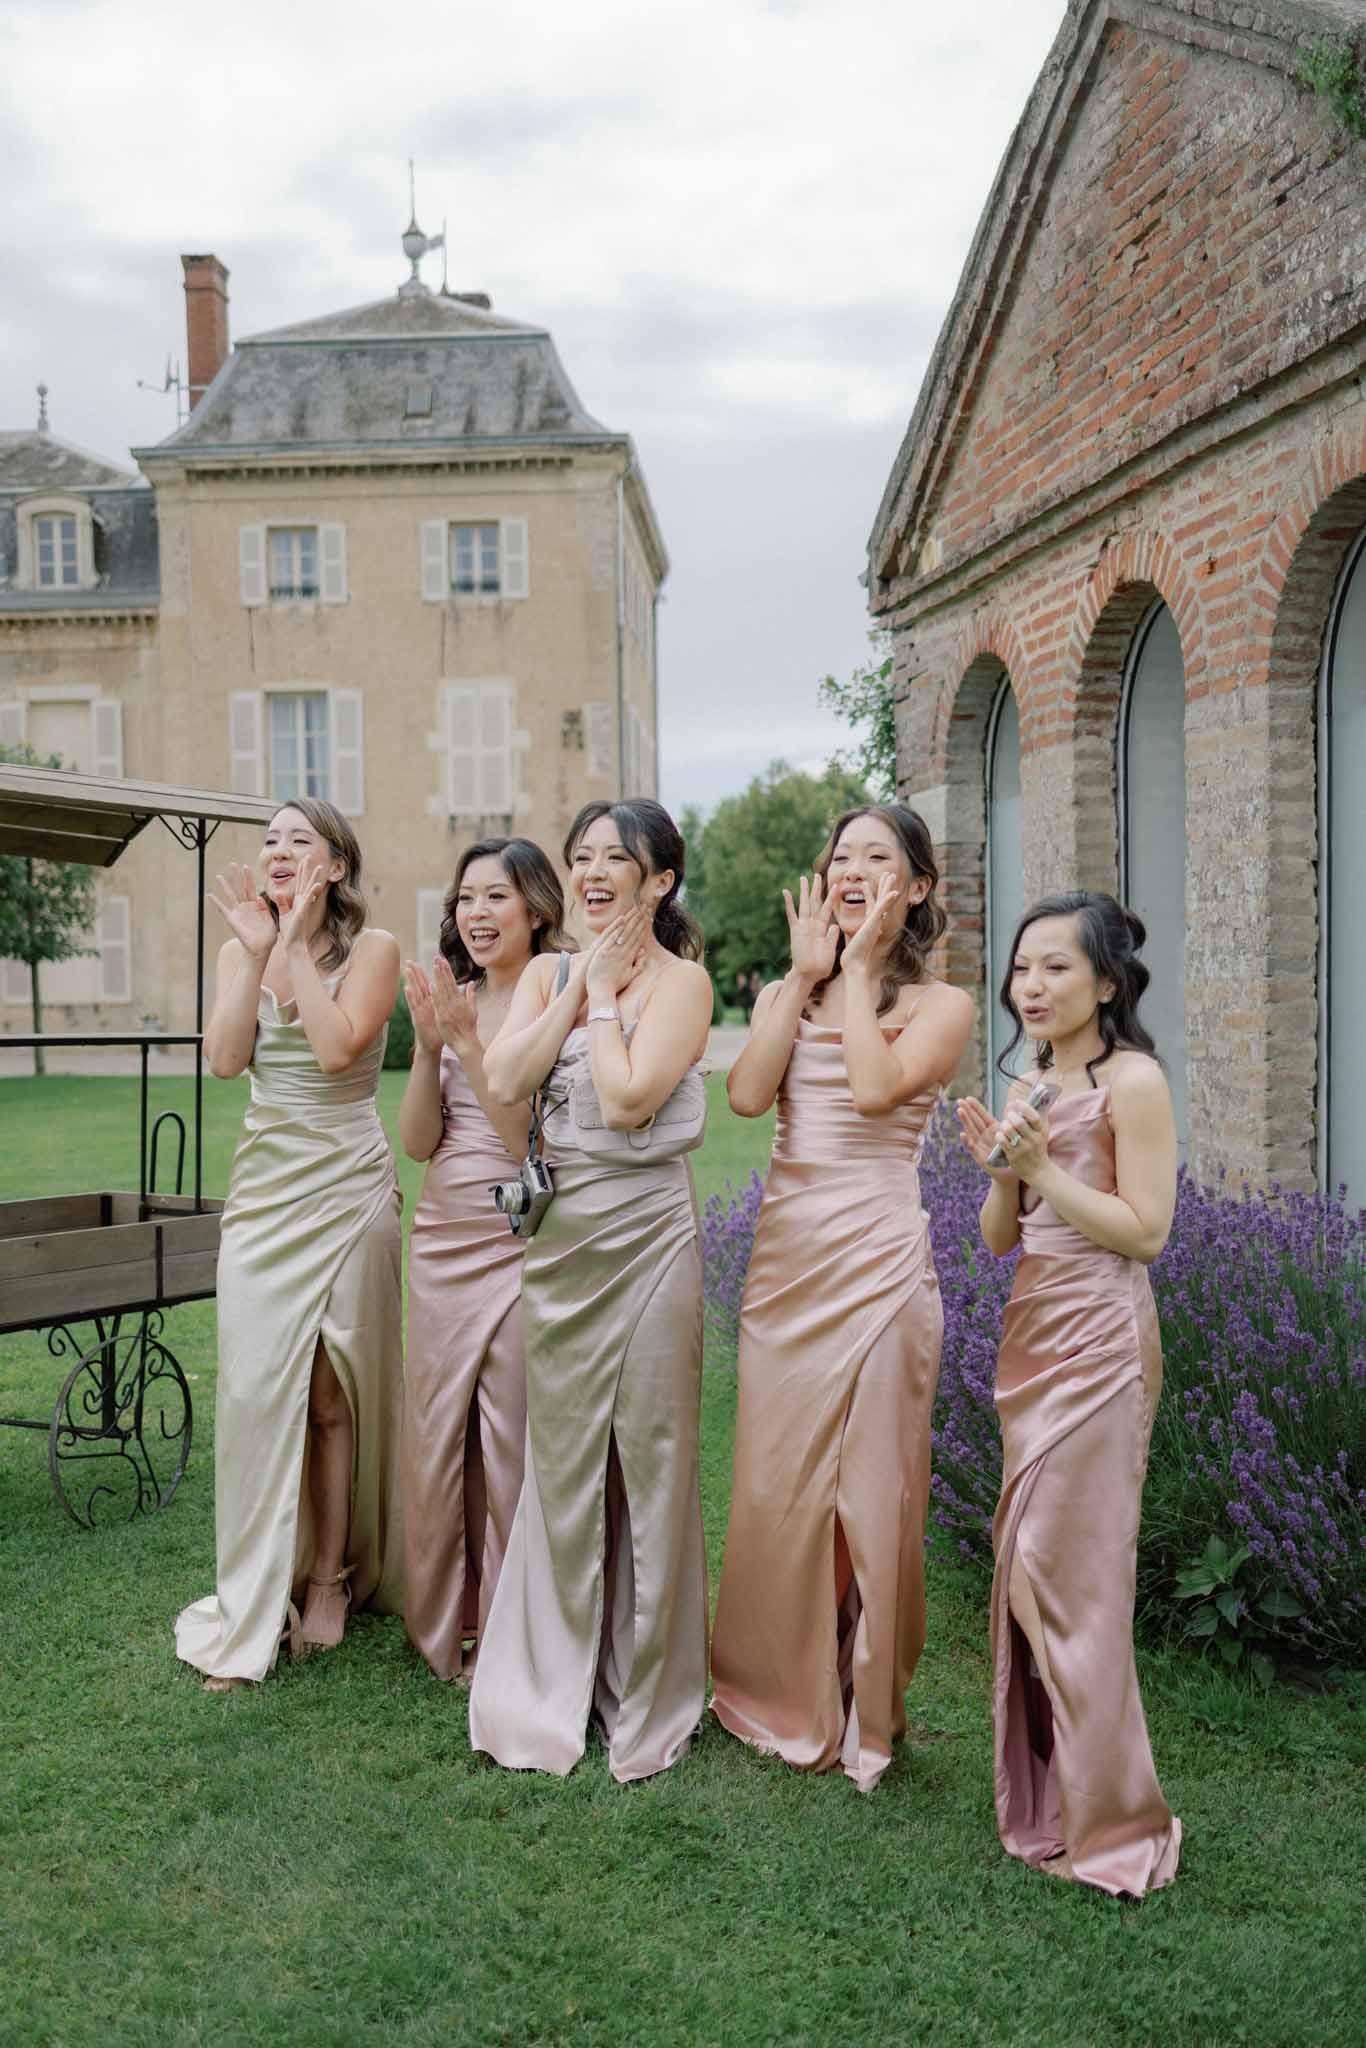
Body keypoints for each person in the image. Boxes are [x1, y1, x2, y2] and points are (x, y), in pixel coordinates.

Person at [710, 805, 973, 1790]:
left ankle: (865, 1698)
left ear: (917, 885)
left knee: (871, 1489)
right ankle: (773, 1683)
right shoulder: (797, 984)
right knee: (775, 1485)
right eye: (841, 857)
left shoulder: (941, 1004)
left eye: (877, 857)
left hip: (879, 1263)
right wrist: (800, 979)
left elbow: (872, 1089)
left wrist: (858, 976)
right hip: (787, 1264)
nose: (852, 870)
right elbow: (746, 1096)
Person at [468, 798, 714, 1782]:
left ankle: (647, 1689)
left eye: (616, 857)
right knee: (562, 1460)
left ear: (660, 879)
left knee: (652, 1457)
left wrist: (605, 997)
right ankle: (550, 1675)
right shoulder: (546, 972)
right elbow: (505, 1076)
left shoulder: (685, 984)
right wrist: (577, 991)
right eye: (582, 856)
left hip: (649, 1239)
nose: (593, 871)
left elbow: (625, 1099)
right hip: (564, 1246)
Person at [955, 890, 1181, 1896]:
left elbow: (1145, 1232)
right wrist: (1005, 1175)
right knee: (1029, 1567)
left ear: (1107, 980)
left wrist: (1042, 1169)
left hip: (1100, 1339)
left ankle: (1120, 1820)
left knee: (1067, 1577)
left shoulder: (1134, 1080)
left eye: (1056, 966)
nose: (1032, 985)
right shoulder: (1032, 1077)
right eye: (1022, 967)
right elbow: (999, 1237)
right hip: (1032, 1336)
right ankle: (1068, 1797)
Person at [176, 800, 403, 1691]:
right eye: (269, 839)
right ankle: (253, 1594)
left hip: (346, 1190)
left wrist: (300, 946)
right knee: (253, 1391)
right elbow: (226, 1060)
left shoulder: (374, 950)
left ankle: (328, 1578)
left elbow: (340, 1052)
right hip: (265, 1198)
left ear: (336, 865)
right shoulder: (241, 949)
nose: (277, 851)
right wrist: (254, 954)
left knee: (329, 1390)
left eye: (298, 840)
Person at [399, 837, 569, 1682]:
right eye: (466, 898)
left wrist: (467, 1046)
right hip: (440, 1235)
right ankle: (441, 1620)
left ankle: (506, 1628)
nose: (477, 913)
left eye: (496, 896)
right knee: (437, 1435)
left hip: (517, 1237)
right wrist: (426, 1046)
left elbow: (528, 1145)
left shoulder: (557, 995)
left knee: (508, 1439)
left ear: (535, 908)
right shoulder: (453, 998)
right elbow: (417, 1141)